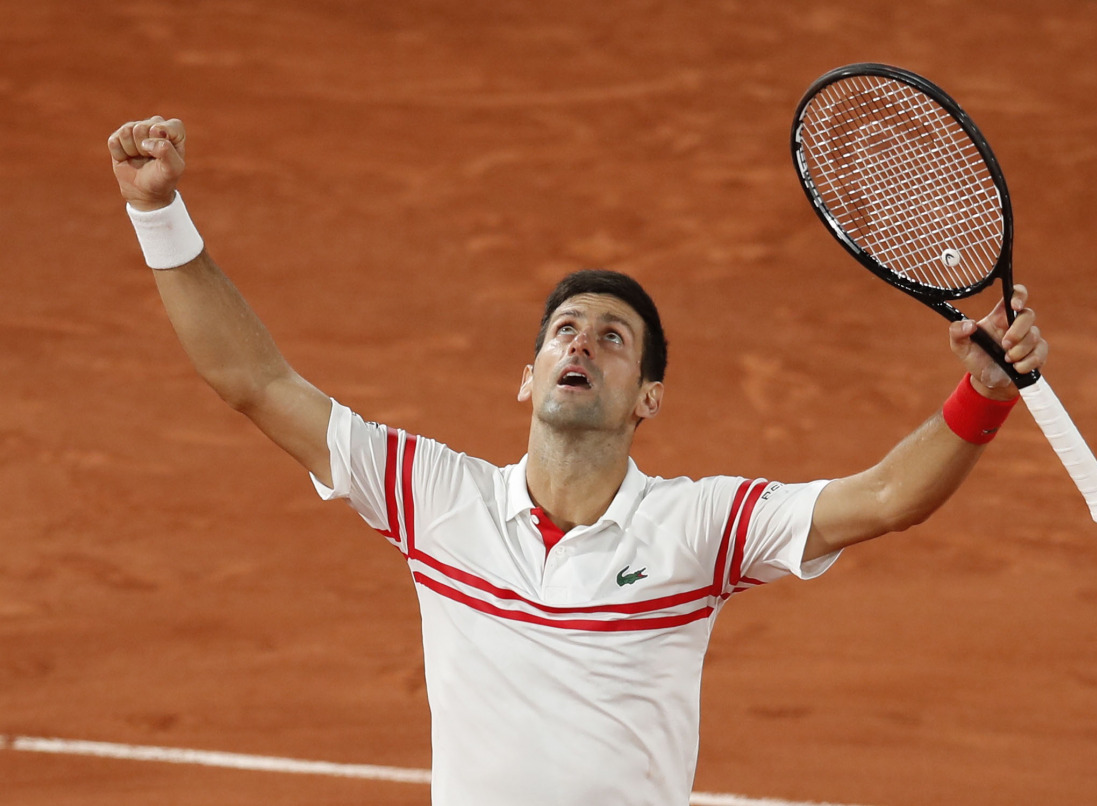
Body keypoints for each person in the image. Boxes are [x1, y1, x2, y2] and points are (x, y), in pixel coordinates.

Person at [108, 115, 1048, 806]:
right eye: (565, 331)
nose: (581, 346)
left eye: (612, 338)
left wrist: (984, 395)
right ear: (528, 378)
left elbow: (886, 499)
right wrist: (160, 215)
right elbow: (255, 382)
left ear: (648, 399)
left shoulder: (698, 529)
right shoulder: (436, 499)